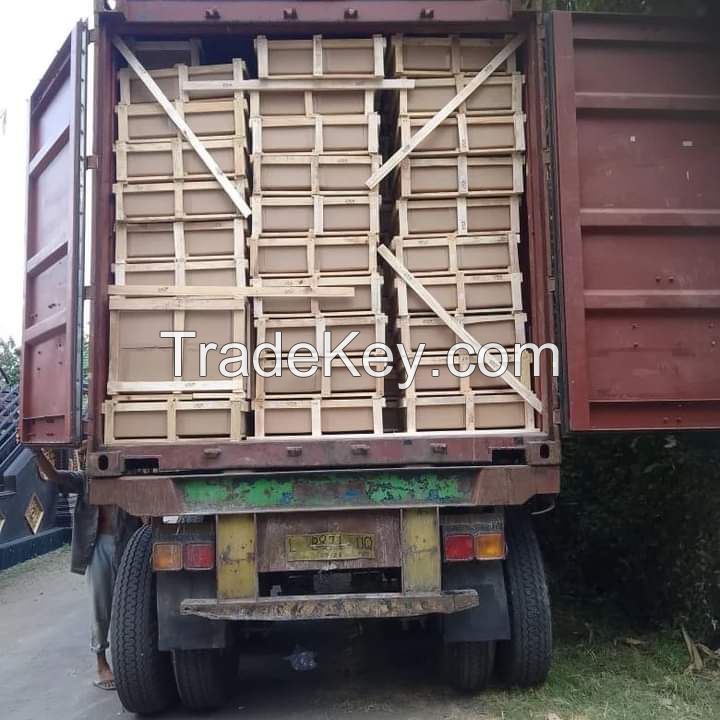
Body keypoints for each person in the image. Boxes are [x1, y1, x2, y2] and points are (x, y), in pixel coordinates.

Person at [35, 452, 140, 691]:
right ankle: (101, 661)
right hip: (99, 545)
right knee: (100, 605)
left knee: (133, 606)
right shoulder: (86, 480)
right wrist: (36, 452)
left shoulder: (132, 477)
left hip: (128, 545)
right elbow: (53, 476)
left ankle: (134, 661)